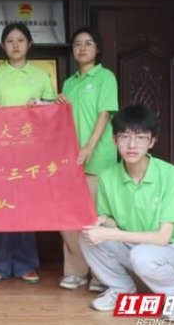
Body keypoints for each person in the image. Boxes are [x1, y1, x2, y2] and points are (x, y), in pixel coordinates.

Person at [79, 105, 174, 321]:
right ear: (115, 140)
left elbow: (162, 238)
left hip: (173, 250)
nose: (132, 145)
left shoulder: (172, 175)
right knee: (87, 235)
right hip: (133, 246)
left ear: (152, 141)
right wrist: (103, 221)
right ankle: (121, 289)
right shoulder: (107, 177)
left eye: (141, 137)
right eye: (124, 137)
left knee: (141, 255)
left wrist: (109, 234)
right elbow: (112, 223)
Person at [0, 22, 56, 284]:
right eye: (10, 40)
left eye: (20, 40)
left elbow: (52, 112)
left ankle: (26, 264)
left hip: (31, 153)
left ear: (29, 45)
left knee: (26, 207)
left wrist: (41, 105)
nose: (15, 45)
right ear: (3, 46)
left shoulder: (42, 76)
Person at [55, 27, 118, 292]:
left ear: (97, 49)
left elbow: (105, 113)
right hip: (70, 161)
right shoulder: (69, 83)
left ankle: (101, 275)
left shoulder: (105, 77)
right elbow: (61, 121)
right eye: (77, 44)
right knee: (68, 219)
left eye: (88, 43)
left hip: (98, 158)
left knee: (96, 218)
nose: (82, 48)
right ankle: (75, 271)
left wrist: (90, 146)